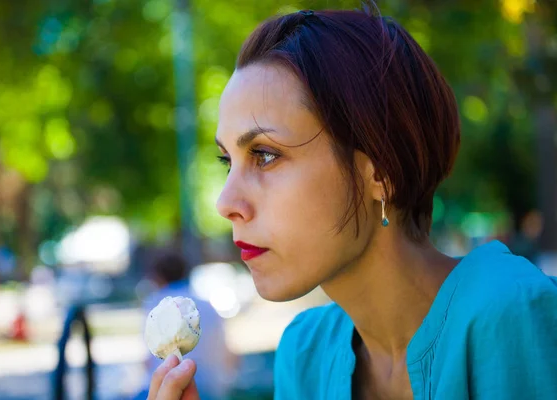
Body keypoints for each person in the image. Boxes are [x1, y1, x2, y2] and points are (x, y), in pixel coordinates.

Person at [148, 6, 557, 400]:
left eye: (265, 154)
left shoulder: (511, 313)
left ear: (381, 173)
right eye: (227, 161)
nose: (225, 202)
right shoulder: (306, 354)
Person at [137, 248, 236, 400]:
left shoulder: (155, 305)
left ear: (158, 277)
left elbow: (147, 359)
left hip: (167, 385)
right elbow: (228, 354)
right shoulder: (207, 304)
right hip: (211, 389)